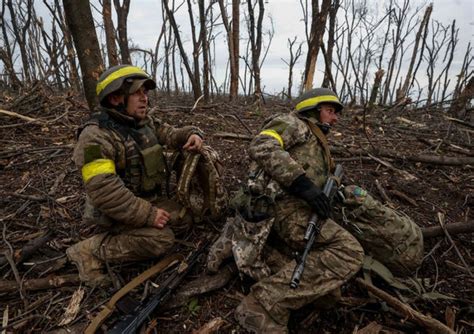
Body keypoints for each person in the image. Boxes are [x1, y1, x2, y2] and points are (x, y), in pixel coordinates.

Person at [207, 88, 423, 333]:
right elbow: (261, 145)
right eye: (331, 111)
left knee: (329, 296)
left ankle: (264, 253)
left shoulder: (316, 139)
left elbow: (319, 175)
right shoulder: (294, 123)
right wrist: (303, 185)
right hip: (283, 210)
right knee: (349, 251)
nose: (336, 118)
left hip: (300, 209)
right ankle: (263, 303)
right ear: (313, 109)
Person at [67, 64, 204, 286]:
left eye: (146, 93)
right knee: (162, 241)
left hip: (144, 199)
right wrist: (148, 215)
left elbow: (169, 133)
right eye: (138, 93)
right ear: (115, 98)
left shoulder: (142, 122)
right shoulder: (95, 137)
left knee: (183, 220)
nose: (145, 98)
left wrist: (191, 134)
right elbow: (104, 191)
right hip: (115, 212)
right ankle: (88, 251)